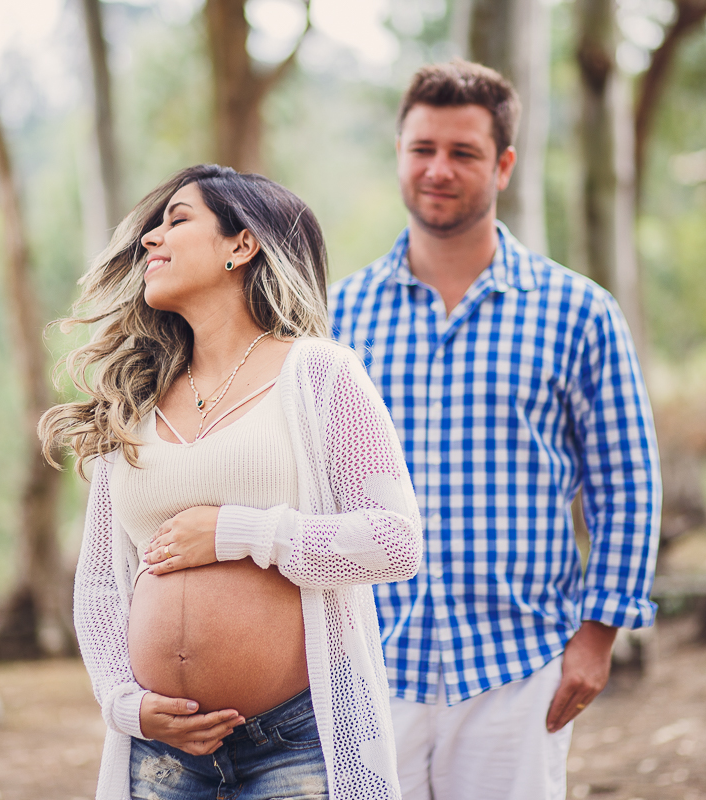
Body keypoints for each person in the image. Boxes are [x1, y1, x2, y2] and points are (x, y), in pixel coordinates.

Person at [328, 60, 661, 800]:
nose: (438, 170)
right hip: (375, 662)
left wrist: (598, 637)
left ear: (504, 164)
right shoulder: (335, 318)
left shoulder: (578, 312)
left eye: (463, 152)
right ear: (399, 154)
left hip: (519, 665)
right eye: (422, 149)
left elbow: (627, 481)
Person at [40, 164, 423, 800]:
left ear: (241, 245)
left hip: (296, 746)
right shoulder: (132, 399)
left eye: (177, 220)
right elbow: (100, 589)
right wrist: (125, 705)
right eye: (154, 226)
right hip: (161, 758)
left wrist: (236, 532)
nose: (150, 240)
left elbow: (395, 541)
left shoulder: (320, 375)